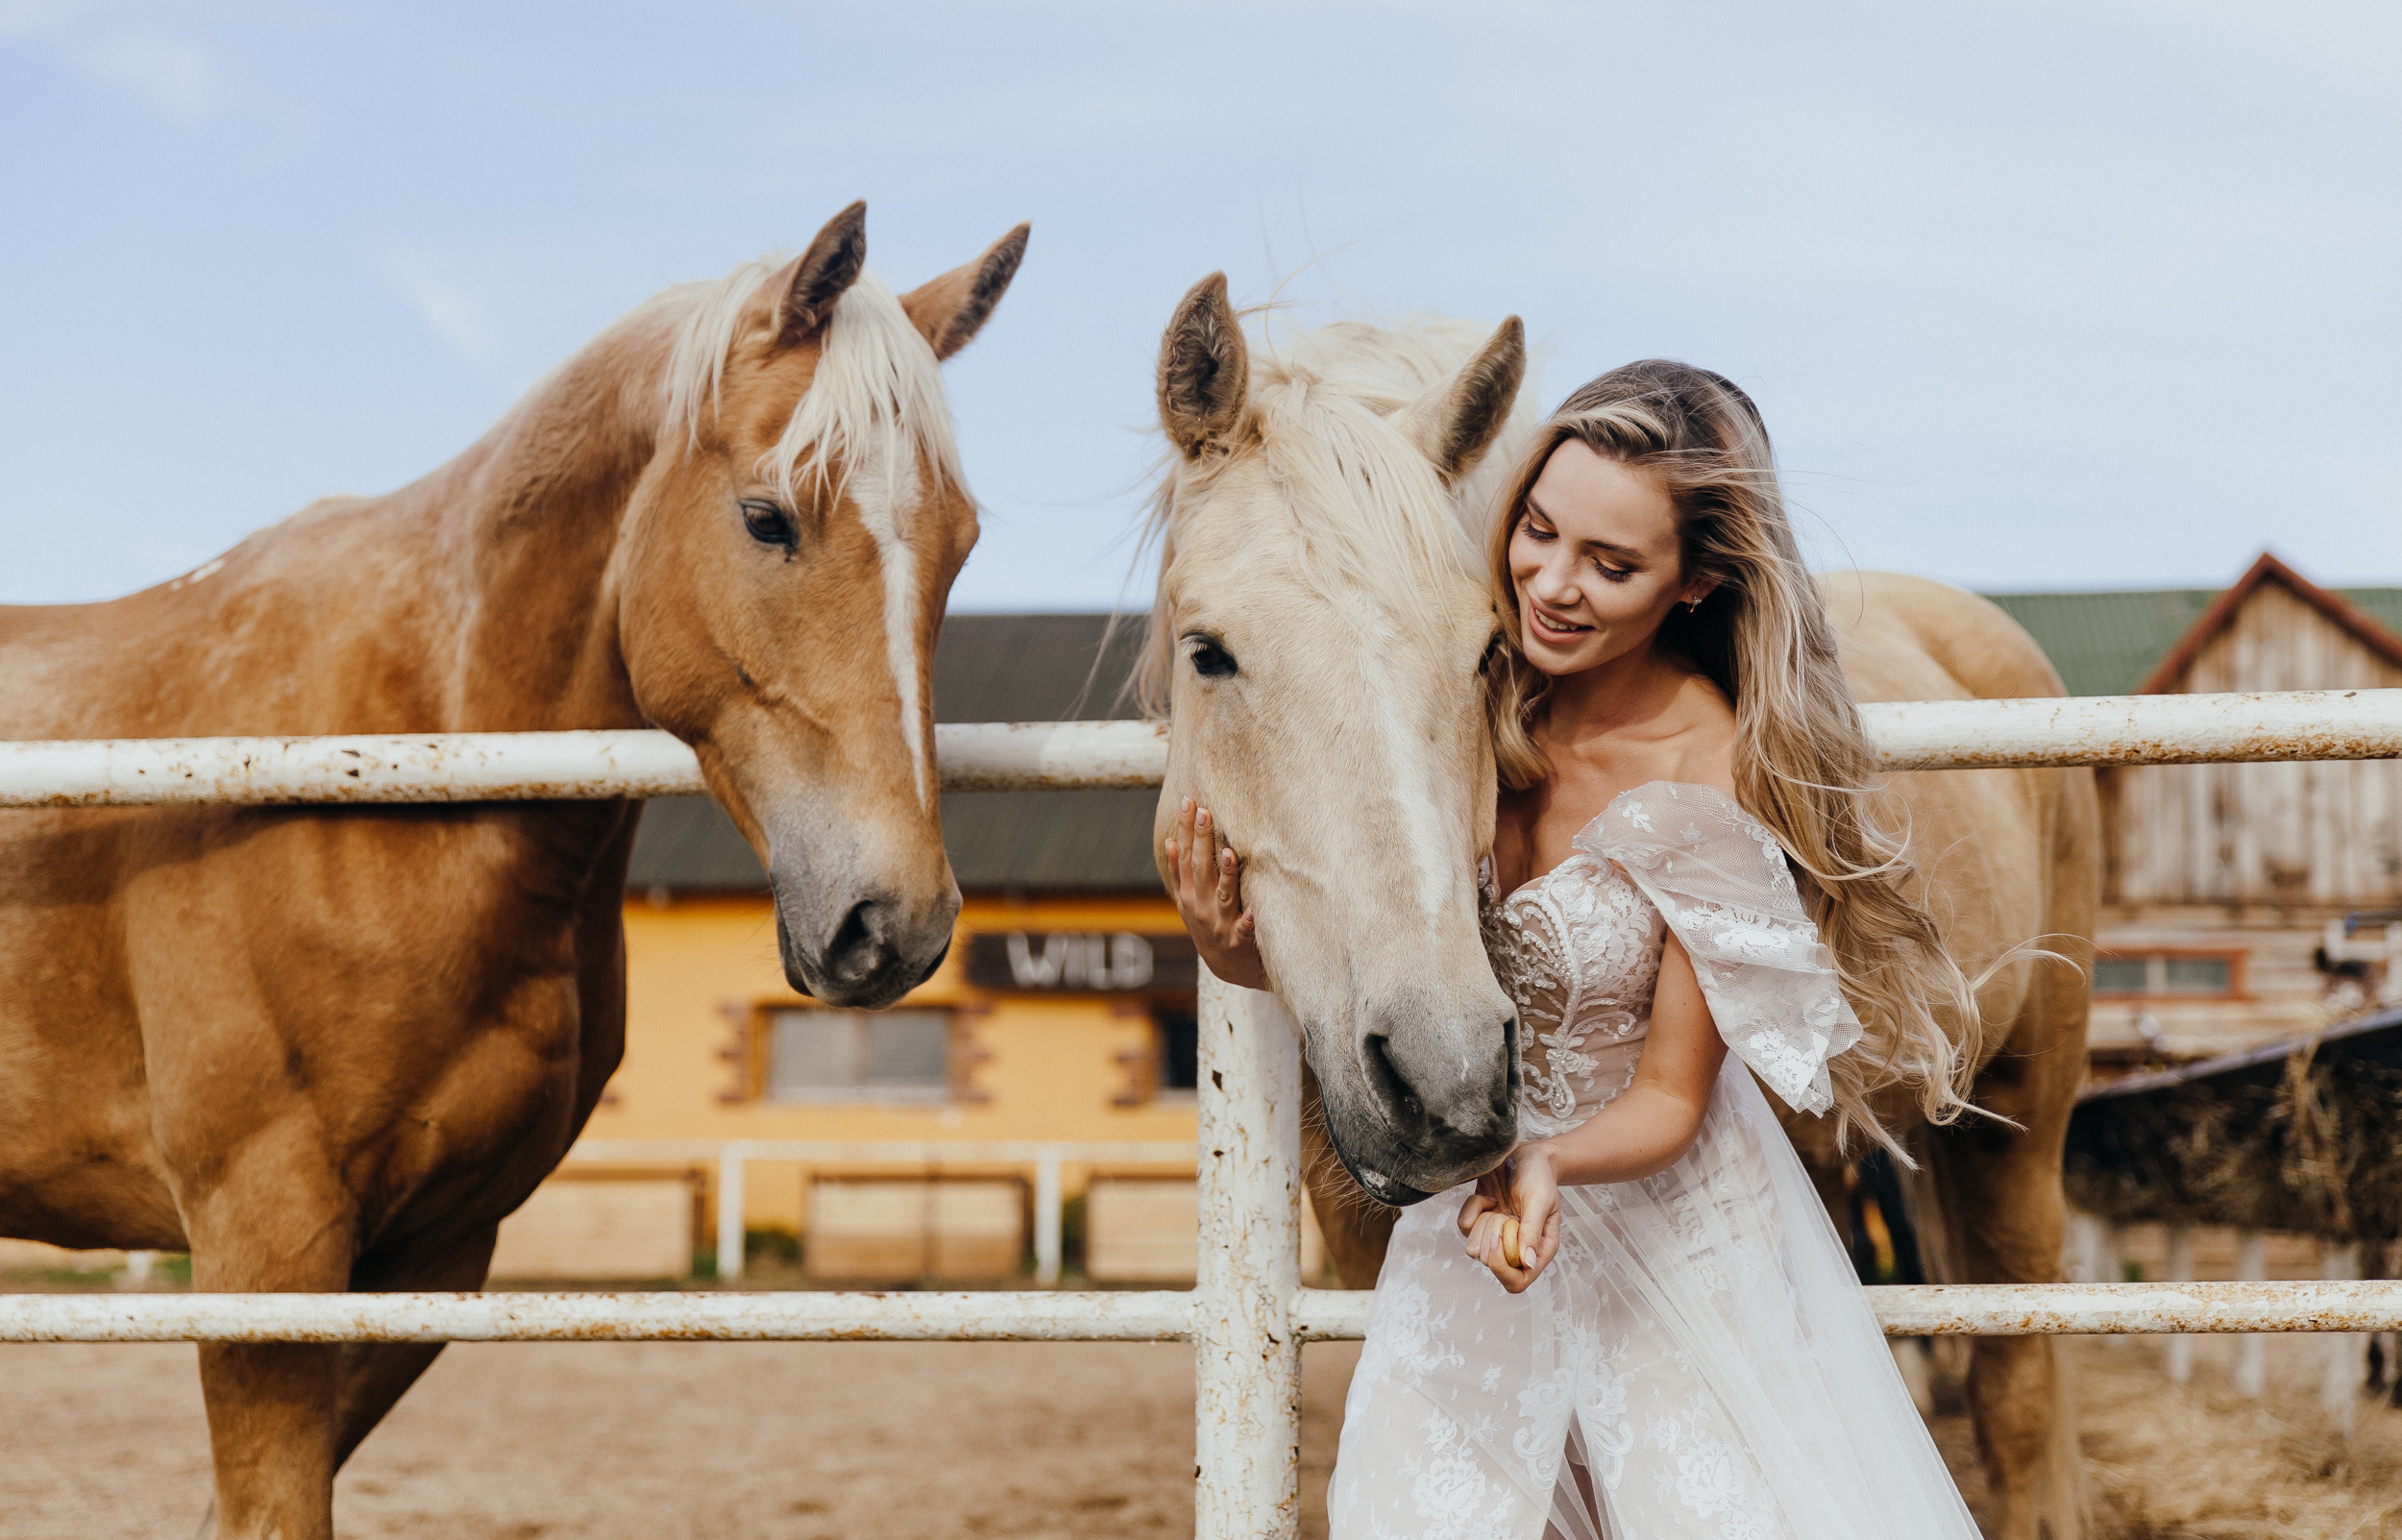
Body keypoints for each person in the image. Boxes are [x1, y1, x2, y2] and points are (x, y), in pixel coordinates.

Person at [1167, 360, 1987, 1538]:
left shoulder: (1713, 766)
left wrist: (1545, 1162)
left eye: (1610, 565)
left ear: (1695, 581)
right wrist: (1231, 949)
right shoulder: (1467, 695)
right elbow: (1393, 954)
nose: (1551, 585)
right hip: (1477, 1225)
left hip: (1654, 1228)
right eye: (1538, 531)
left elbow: (1673, 1097)